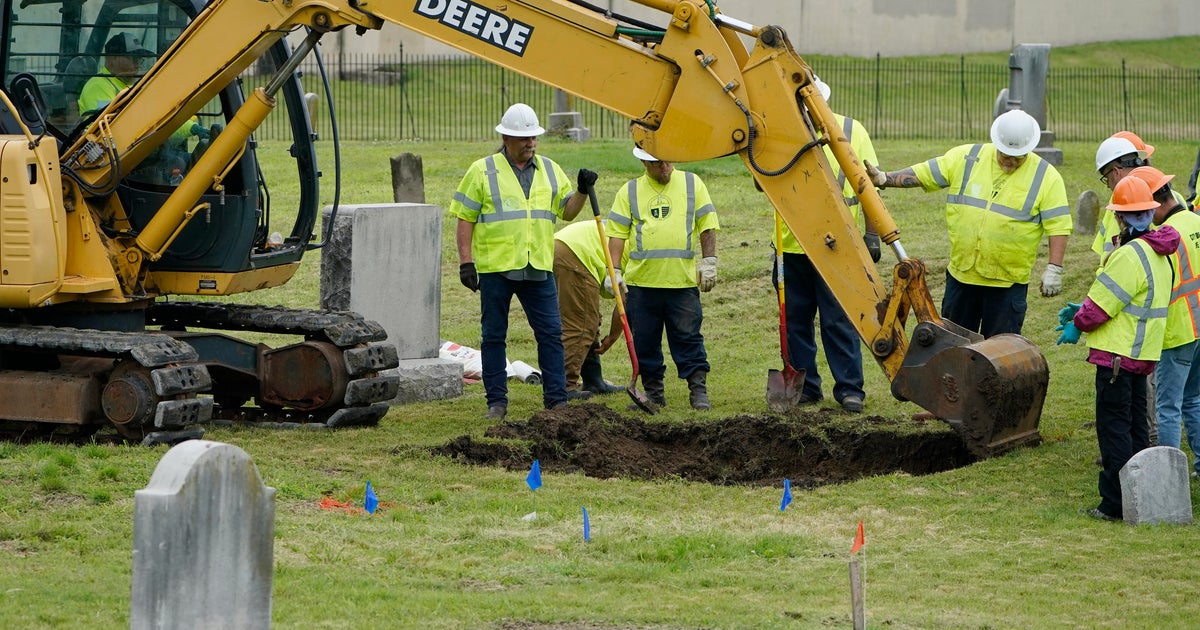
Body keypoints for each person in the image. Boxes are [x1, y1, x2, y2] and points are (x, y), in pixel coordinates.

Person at [868, 109, 1071, 337]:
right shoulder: (967, 158)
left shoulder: (1046, 176)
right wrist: (885, 179)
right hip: (962, 279)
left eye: (1018, 157)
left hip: (1007, 285)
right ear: (997, 143)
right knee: (952, 347)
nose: (1011, 161)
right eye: (1006, 154)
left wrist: (1054, 268)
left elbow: (1059, 226)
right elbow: (925, 173)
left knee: (1000, 355)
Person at [450, 103, 592, 420]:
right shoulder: (482, 171)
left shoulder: (551, 170)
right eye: (523, 139)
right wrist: (465, 262)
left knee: (551, 335)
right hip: (496, 269)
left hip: (538, 266)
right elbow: (465, 218)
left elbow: (566, 211)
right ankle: (497, 403)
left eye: (533, 138)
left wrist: (581, 191)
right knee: (493, 337)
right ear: (505, 137)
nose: (530, 144)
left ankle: (557, 402)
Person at [1056, 176, 1180, 521]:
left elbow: (1101, 308)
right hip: (1141, 356)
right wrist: (1082, 307)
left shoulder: (1128, 254)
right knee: (1137, 430)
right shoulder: (1160, 251)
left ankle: (1114, 505)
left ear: (1122, 217)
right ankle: (1144, 499)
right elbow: (1125, 298)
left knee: (1114, 432)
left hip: (1116, 358)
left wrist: (1076, 323)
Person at [776, 76, 878, 413]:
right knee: (795, 319)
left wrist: (873, 235)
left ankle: (850, 389)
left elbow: (867, 185)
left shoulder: (852, 130)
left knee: (838, 318)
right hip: (793, 245)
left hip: (839, 244)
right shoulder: (781, 132)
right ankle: (805, 388)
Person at [606, 146, 719, 411]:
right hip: (641, 285)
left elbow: (707, 225)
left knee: (689, 338)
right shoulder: (630, 191)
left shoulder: (692, 183)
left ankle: (698, 392)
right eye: (657, 163)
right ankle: (654, 393)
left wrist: (709, 261)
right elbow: (617, 234)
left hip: (681, 283)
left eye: (668, 160)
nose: (665, 166)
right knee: (644, 341)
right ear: (644, 163)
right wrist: (615, 271)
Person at [1129, 166, 1200, 479]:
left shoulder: (1164, 238)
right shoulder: (1196, 221)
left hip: (1177, 331)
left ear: (1154, 202)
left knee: (1167, 407)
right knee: (1193, 400)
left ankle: (1169, 480)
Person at [79, 32, 205, 184]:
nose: (138, 63)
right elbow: (115, 129)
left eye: (140, 58)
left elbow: (159, 118)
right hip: (111, 162)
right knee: (167, 172)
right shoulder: (98, 85)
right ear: (111, 59)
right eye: (133, 58)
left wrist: (192, 128)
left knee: (189, 162)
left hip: (135, 154)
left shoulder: (131, 86)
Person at [553, 220, 625, 397]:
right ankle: (566, 386)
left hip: (561, 246)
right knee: (581, 323)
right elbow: (624, 302)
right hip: (576, 253)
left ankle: (594, 380)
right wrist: (613, 336)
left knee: (587, 317)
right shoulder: (643, 256)